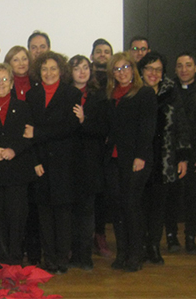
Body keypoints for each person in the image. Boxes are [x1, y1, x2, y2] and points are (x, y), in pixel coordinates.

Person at [25, 51, 82, 274]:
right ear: (39, 72)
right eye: (44, 69)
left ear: (61, 71)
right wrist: (35, 160)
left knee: (63, 214)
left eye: (53, 69)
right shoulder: (32, 95)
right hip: (40, 163)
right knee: (44, 214)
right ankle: (49, 258)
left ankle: (61, 258)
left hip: (65, 163)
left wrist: (38, 132)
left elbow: (70, 128)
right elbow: (27, 133)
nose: (49, 73)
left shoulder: (72, 94)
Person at [103, 52, 157, 272]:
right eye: (117, 69)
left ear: (133, 69)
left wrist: (140, 156)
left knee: (131, 205)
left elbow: (148, 128)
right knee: (117, 207)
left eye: (125, 67)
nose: (122, 72)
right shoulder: (110, 95)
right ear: (112, 74)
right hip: (113, 159)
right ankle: (122, 252)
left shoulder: (144, 93)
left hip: (136, 159)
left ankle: (136, 254)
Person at [137, 51, 190, 265]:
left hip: (164, 160)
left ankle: (153, 247)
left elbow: (181, 126)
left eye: (158, 69)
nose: (153, 73)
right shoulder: (134, 91)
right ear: (141, 71)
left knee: (158, 208)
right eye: (149, 68)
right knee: (139, 206)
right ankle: (140, 246)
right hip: (139, 159)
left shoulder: (171, 92)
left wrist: (183, 157)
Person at [0, 63, 36, 265]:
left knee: (17, 216)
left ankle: (15, 255)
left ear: (12, 83)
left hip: (17, 171)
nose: (1, 83)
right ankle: (2, 256)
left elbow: (28, 137)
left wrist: (14, 149)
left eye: (5, 79)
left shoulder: (23, 108)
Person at [166, 52, 196, 255]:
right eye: (180, 65)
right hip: (171, 152)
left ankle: (191, 237)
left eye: (188, 65)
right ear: (175, 70)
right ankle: (171, 237)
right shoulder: (166, 91)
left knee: (193, 197)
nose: (184, 69)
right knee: (171, 196)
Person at [67, 55, 107, 271]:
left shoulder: (98, 97)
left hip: (91, 161)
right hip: (68, 161)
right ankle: (73, 253)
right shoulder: (64, 95)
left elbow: (103, 129)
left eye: (85, 68)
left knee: (87, 211)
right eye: (76, 68)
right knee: (71, 211)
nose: (82, 72)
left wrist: (84, 120)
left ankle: (85, 255)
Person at [89, 39, 115, 258]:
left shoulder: (117, 81)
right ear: (92, 56)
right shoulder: (86, 82)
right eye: (99, 52)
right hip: (91, 144)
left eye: (107, 52)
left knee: (103, 196)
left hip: (110, 146)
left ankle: (100, 234)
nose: (103, 55)